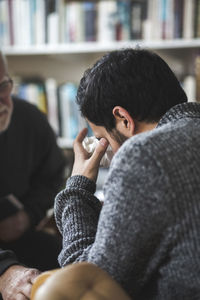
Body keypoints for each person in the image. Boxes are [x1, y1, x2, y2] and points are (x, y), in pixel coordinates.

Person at [55, 48, 200, 299]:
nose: (106, 153)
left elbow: (86, 286)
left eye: (102, 139)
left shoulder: (145, 156)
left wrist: (77, 189)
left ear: (123, 118)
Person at [0, 51, 66, 300]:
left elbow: (52, 175)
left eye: (3, 86)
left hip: (20, 236)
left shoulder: (30, 120)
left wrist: (28, 216)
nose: (0, 101)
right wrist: (4, 271)